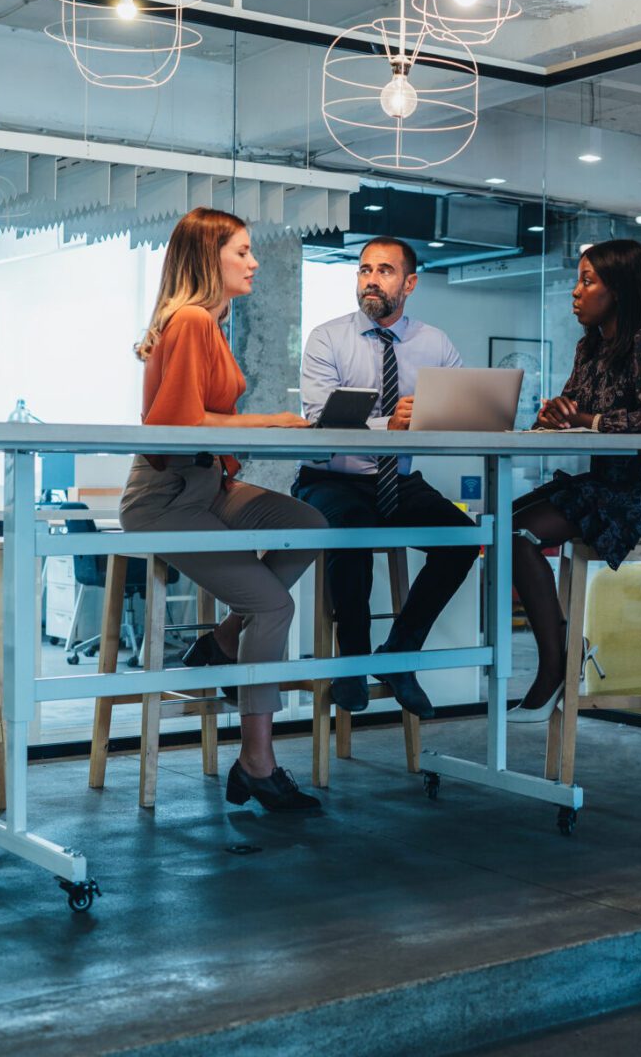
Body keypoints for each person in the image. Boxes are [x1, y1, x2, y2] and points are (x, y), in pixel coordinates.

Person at [118, 206, 326, 814]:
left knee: (310, 524)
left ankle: (226, 635)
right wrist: (274, 419)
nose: (254, 261)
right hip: (165, 499)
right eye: (241, 251)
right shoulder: (189, 320)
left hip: (207, 486)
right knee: (275, 604)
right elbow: (179, 424)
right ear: (210, 259)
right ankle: (257, 763)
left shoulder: (205, 322)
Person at [289, 236, 480, 719]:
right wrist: (387, 424)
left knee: (463, 539)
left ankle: (398, 656)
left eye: (385, 270)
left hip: (399, 480)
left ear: (410, 283)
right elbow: (318, 419)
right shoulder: (327, 338)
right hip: (331, 478)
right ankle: (351, 661)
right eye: (364, 269)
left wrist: (441, 418)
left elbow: (462, 413)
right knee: (349, 532)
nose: (371, 279)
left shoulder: (435, 343)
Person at [507, 239, 641, 721]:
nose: (575, 292)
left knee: (518, 535)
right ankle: (567, 646)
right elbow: (571, 411)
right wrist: (553, 414)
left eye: (588, 281)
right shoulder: (590, 347)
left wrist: (587, 419)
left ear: (621, 290)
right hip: (605, 485)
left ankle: (555, 665)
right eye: (578, 280)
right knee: (503, 527)